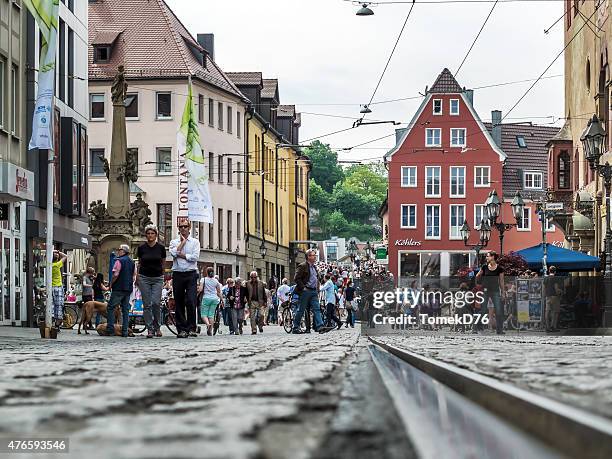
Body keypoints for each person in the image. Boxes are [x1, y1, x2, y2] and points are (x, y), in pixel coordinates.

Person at [169, 220, 201, 339]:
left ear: (189, 228)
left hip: (191, 274)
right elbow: (173, 253)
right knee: (179, 302)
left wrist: (181, 255)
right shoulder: (174, 241)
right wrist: (182, 243)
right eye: (181, 226)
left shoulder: (195, 242)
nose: (183, 228)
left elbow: (194, 257)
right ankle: (182, 329)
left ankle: (192, 327)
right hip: (178, 273)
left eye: (185, 226)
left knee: (191, 301)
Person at [136, 224, 167, 338]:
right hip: (144, 277)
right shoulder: (141, 248)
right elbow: (139, 262)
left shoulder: (161, 248)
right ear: (146, 235)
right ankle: (150, 329)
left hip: (157, 278)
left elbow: (163, 262)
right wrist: (137, 276)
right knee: (147, 304)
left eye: (152, 233)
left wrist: (163, 274)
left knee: (156, 303)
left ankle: (157, 326)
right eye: (148, 233)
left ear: (156, 235)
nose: (150, 235)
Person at [292, 249, 331, 334]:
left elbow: (316, 279)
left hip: (313, 291)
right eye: (313, 255)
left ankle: (320, 326)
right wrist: (303, 288)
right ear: (308, 256)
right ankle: (295, 327)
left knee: (317, 309)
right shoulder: (302, 266)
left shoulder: (314, 267)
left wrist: (317, 289)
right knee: (301, 310)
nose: (315, 257)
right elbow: (296, 278)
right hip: (305, 291)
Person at [106, 244, 135, 337]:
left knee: (111, 307)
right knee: (125, 310)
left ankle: (110, 330)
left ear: (123, 251)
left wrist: (111, 284)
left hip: (118, 288)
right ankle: (125, 331)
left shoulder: (119, 261)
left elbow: (115, 274)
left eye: (119, 250)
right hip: (128, 288)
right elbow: (134, 275)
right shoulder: (132, 262)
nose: (118, 251)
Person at [476, 251, 505, 335]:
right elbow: (477, 275)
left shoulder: (500, 268)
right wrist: (480, 283)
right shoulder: (484, 267)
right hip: (485, 290)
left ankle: (499, 330)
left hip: (495, 290)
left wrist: (503, 293)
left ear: (493, 257)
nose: (486, 258)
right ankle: (479, 327)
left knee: (498, 310)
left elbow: (501, 282)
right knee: (483, 309)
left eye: (488, 256)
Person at [199, 267, 223, 336]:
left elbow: (200, 289)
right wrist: (222, 300)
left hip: (206, 298)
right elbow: (218, 292)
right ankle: (210, 331)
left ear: (207, 272)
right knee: (211, 315)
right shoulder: (216, 281)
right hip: (214, 299)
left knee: (204, 315)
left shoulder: (203, 280)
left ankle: (208, 324)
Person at [51, 250, 68, 329]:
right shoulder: (57, 265)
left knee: (51, 306)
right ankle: (57, 325)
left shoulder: (49, 265)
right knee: (59, 307)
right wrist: (58, 251)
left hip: (50, 287)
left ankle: (52, 324)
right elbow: (65, 256)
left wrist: (52, 251)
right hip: (58, 287)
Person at [545, 265, 563, 332]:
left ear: (549, 271)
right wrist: (561, 292)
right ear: (555, 271)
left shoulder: (545, 278)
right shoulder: (555, 278)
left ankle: (547, 327)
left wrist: (545, 296)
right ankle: (553, 327)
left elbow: (544, 289)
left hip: (547, 297)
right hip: (554, 297)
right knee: (555, 312)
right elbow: (556, 289)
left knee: (547, 312)